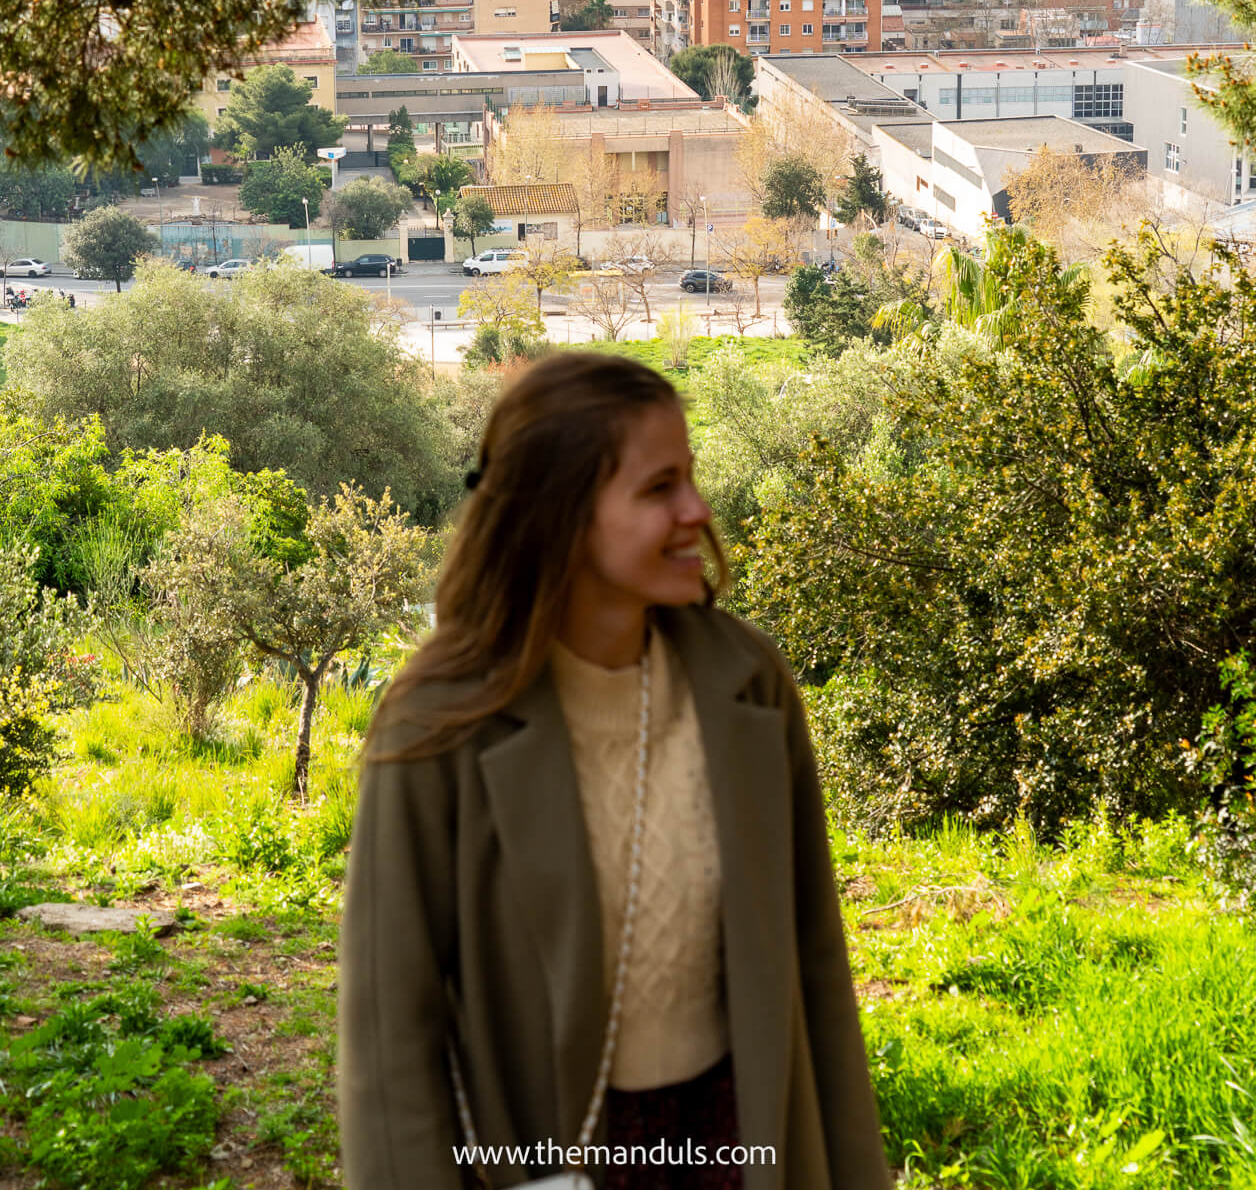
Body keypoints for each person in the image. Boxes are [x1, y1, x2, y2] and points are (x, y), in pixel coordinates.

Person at [339, 352, 889, 1190]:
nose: (698, 510)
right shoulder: (436, 727)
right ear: (559, 514)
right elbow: (390, 1039)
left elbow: (816, 968)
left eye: (690, 478)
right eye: (660, 487)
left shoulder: (749, 684)